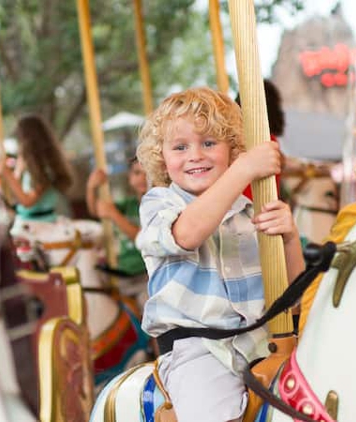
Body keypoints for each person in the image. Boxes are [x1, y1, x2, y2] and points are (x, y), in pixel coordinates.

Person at [135, 87, 305, 422]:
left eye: (209, 143)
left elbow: (293, 299)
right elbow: (187, 234)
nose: (195, 155)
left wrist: (290, 239)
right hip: (201, 352)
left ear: (231, 149)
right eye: (180, 147)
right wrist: (241, 172)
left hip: (264, 343)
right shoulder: (160, 205)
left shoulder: (250, 212)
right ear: (163, 159)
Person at [86, 157, 148, 303]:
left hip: (146, 275)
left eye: (148, 174)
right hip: (123, 273)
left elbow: (142, 238)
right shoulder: (128, 205)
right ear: (130, 178)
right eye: (137, 173)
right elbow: (96, 210)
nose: (142, 178)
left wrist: (114, 214)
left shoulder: (158, 205)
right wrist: (91, 187)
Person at [0, 114, 74, 223]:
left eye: (20, 139)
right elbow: (15, 194)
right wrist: (17, 171)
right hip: (28, 221)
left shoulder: (46, 168)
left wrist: (8, 174)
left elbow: (27, 201)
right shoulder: (30, 166)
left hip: (40, 224)